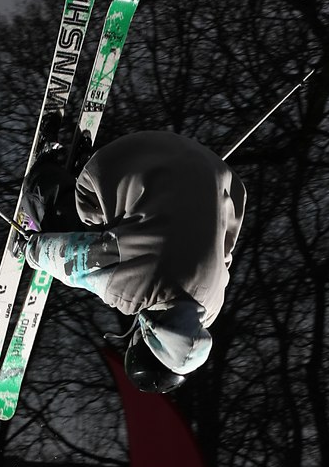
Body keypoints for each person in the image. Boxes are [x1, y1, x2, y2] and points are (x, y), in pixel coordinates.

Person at [19, 131, 247, 393]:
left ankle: (98, 178)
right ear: (146, 341)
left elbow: (223, 248)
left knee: (130, 229)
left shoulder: (212, 306)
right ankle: (44, 175)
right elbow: (76, 260)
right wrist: (33, 250)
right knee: (70, 224)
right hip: (127, 162)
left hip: (196, 163)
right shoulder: (135, 291)